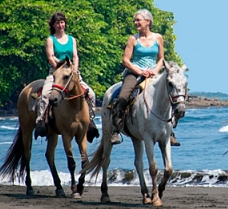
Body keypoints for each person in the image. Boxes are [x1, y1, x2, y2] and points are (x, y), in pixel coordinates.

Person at [111, 9, 180, 145]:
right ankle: (116, 130)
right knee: (123, 96)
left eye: (138, 20)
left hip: (153, 73)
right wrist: (140, 72)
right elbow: (126, 60)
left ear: (148, 21)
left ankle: (170, 132)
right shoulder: (133, 39)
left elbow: (161, 59)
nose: (135, 22)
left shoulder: (158, 37)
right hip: (135, 73)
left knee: (170, 96)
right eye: (135, 20)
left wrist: (155, 71)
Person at [34, 11, 99, 141]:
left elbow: (75, 56)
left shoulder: (72, 39)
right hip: (56, 73)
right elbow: (50, 57)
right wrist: (61, 68)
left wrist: (73, 71)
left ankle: (90, 120)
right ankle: (40, 120)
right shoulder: (50, 39)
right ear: (53, 25)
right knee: (46, 94)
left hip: (71, 74)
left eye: (62, 22)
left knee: (91, 94)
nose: (60, 25)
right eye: (57, 23)